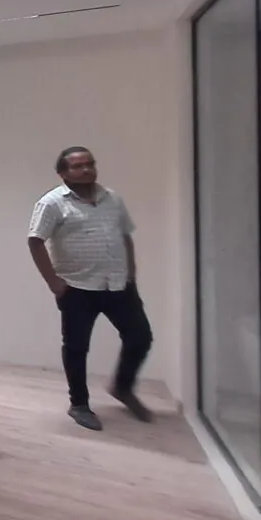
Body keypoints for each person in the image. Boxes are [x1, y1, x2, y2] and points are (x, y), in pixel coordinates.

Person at [27, 147, 153, 431]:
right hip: (78, 288)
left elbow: (125, 236)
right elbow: (35, 241)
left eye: (90, 164)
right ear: (63, 173)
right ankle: (79, 404)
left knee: (140, 338)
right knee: (76, 348)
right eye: (77, 166)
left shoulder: (113, 199)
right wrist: (54, 283)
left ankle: (122, 387)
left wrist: (131, 273)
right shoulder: (52, 203)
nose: (86, 169)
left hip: (119, 284)